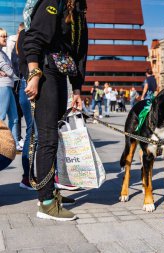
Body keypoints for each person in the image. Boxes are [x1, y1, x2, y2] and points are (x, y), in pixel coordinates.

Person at [23, 0, 88, 221]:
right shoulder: (54, 1)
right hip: (44, 71)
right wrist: (33, 75)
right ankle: (46, 203)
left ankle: (50, 191)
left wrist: (77, 90)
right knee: (48, 138)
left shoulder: (79, 10)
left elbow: (79, 54)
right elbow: (34, 37)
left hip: (60, 73)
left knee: (56, 137)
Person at [16, 24, 37, 190]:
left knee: (34, 132)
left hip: (28, 85)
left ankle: (29, 176)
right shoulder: (26, 33)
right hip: (29, 86)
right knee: (33, 132)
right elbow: (24, 62)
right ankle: (27, 177)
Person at [0, 28, 19, 150]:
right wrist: (16, 76)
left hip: (8, 86)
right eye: (2, 36)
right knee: (1, 118)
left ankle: (12, 144)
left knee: (15, 118)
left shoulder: (3, 53)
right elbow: (5, 67)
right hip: (3, 87)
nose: (5, 38)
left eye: (6, 36)